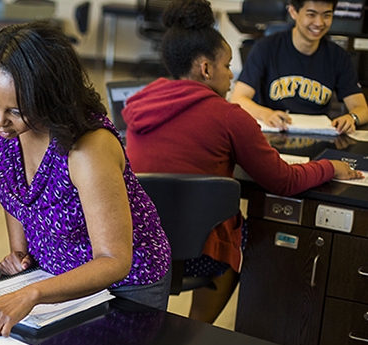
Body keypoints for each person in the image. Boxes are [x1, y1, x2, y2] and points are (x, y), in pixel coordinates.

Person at [122, 0, 361, 324]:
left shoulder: (139, 103)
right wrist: (332, 167)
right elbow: (283, 181)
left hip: (138, 246)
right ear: (206, 69)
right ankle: (195, 327)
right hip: (197, 252)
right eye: (227, 65)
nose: (232, 74)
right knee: (246, 234)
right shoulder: (229, 116)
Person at [0, 21, 171, 337]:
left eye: (17, 110)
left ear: (49, 100)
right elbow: (16, 189)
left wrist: (32, 293)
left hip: (125, 287)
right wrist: (19, 251)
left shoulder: (87, 148)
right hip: (49, 277)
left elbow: (114, 259)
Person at [230, 0, 368, 134]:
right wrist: (266, 114)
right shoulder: (265, 48)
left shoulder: (339, 56)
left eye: (327, 15)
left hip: (318, 135)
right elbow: (238, 98)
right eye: (311, 14)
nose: (319, 23)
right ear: (293, 12)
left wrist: (352, 118)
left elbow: (361, 107)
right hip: (274, 133)